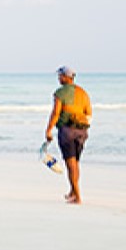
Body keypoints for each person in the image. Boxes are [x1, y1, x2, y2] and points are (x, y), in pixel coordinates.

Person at [44, 66, 91, 204]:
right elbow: (88, 113)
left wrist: (48, 130)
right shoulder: (83, 93)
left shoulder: (60, 92)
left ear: (66, 77)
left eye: (60, 76)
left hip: (68, 131)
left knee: (70, 164)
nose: (59, 78)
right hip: (82, 131)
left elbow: (56, 113)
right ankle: (72, 191)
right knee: (75, 163)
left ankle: (77, 196)